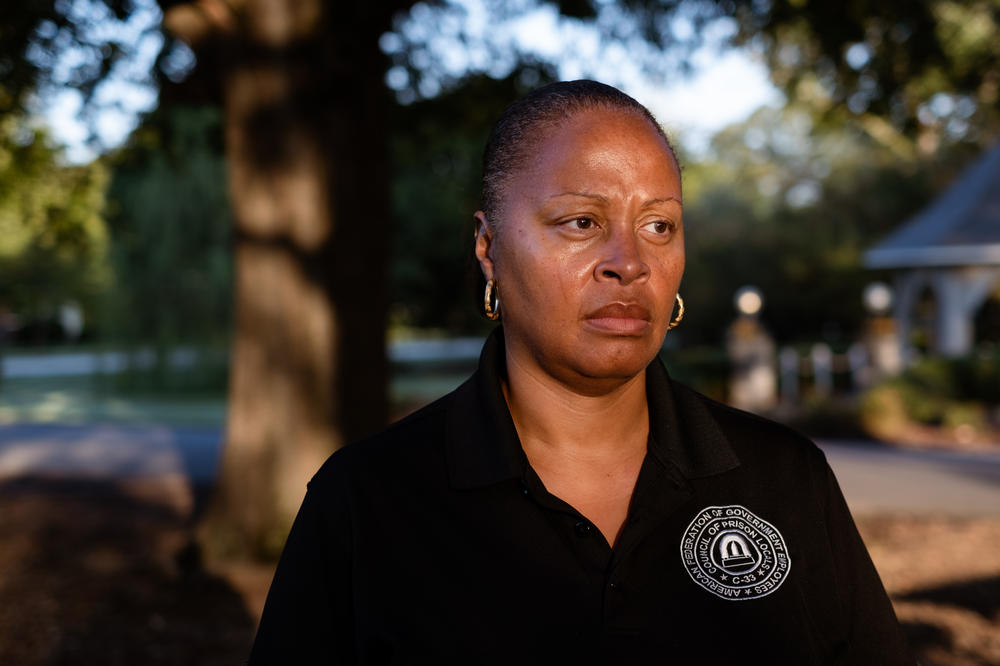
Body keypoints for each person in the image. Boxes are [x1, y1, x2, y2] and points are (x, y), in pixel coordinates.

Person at [248, 80, 914, 664]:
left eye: (659, 226)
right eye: (581, 221)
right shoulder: (369, 502)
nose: (629, 261)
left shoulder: (785, 480)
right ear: (488, 248)